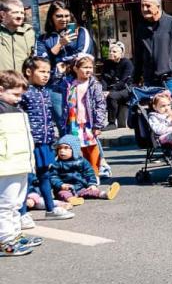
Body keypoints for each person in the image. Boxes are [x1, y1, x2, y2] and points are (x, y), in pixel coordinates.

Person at [19, 57, 71, 220]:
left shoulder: (46, 92)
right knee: (26, 178)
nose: (46, 75)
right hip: (29, 142)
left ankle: (50, 209)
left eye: (48, 72)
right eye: (41, 71)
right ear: (29, 72)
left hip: (46, 141)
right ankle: (21, 214)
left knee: (44, 174)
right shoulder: (23, 92)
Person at [0, 70, 39, 256]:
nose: (18, 99)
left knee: (16, 203)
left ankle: (14, 235)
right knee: (5, 205)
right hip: (6, 165)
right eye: (15, 94)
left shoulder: (17, 109)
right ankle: (5, 240)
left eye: (20, 95)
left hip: (20, 162)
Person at [132, 0, 172, 97]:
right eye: (142, 6)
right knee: (150, 110)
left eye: (148, 6)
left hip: (169, 79)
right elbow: (138, 55)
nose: (144, 9)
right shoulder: (141, 27)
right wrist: (136, 78)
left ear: (158, 7)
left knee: (171, 109)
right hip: (149, 80)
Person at [57, 55, 106, 176]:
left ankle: (95, 173)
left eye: (90, 67)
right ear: (76, 69)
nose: (88, 70)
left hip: (89, 122)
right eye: (85, 67)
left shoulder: (94, 84)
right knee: (78, 148)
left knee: (92, 147)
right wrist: (59, 73)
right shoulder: (68, 83)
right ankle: (84, 173)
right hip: (73, 121)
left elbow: (101, 104)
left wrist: (98, 125)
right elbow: (55, 86)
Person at [48, 134, 119, 203]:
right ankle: (71, 199)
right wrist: (60, 185)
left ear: (74, 149)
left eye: (66, 148)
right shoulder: (56, 164)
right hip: (65, 189)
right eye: (60, 148)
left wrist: (92, 184)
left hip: (80, 187)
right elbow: (53, 176)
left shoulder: (82, 161)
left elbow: (89, 173)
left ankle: (105, 194)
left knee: (92, 192)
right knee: (63, 194)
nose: (62, 150)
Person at [38, 1, 97, 81]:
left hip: (78, 81)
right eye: (59, 16)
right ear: (51, 17)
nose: (64, 19)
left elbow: (83, 57)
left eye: (66, 16)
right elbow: (41, 61)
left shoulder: (81, 32)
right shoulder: (43, 38)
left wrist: (65, 66)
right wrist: (60, 44)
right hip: (53, 83)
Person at [100, 42, 134, 129]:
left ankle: (111, 123)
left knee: (111, 96)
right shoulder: (107, 63)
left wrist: (110, 91)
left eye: (114, 51)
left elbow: (124, 81)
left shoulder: (127, 63)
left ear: (121, 53)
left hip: (125, 89)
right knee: (106, 95)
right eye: (110, 51)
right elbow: (104, 79)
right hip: (113, 90)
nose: (111, 53)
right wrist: (103, 91)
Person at [0, 0, 36, 74]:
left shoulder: (29, 33)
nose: (20, 16)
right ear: (3, 14)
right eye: (15, 12)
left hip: (23, 83)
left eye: (22, 13)